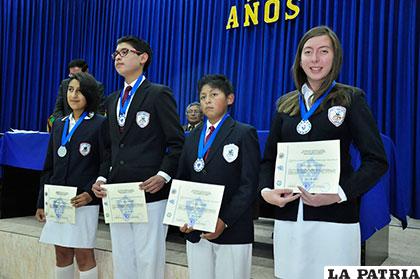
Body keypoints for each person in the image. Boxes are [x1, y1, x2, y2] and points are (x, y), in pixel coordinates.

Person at [259, 26, 389, 279]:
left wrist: (338, 194)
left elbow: (377, 161)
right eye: (308, 52)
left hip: (334, 218)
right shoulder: (285, 105)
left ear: (335, 56)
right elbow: (268, 160)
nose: (315, 59)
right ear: (299, 58)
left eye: (323, 51)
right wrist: (266, 192)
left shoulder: (350, 98)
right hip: (289, 219)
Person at [91, 36, 184, 279]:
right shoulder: (111, 101)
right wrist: (102, 177)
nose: (118, 57)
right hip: (118, 191)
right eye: (115, 54)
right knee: (123, 256)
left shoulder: (158, 94)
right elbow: (110, 148)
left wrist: (163, 175)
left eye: (124, 52)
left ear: (142, 58)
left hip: (149, 191)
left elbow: (176, 143)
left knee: (148, 257)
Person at [177, 74, 260, 279]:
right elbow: (183, 179)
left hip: (232, 228)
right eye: (203, 96)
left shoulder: (243, 133)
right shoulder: (192, 137)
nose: (207, 100)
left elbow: (249, 185)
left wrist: (225, 220)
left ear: (229, 99)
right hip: (196, 228)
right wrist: (181, 215)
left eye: (214, 94)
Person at [35, 72, 110, 279]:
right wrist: (42, 202)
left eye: (79, 91)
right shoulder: (59, 124)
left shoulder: (100, 123)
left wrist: (91, 194)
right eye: (70, 90)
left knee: (84, 254)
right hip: (58, 202)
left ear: (90, 95)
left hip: (83, 201)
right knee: (61, 252)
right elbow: (49, 165)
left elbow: (106, 163)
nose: (74, 95)